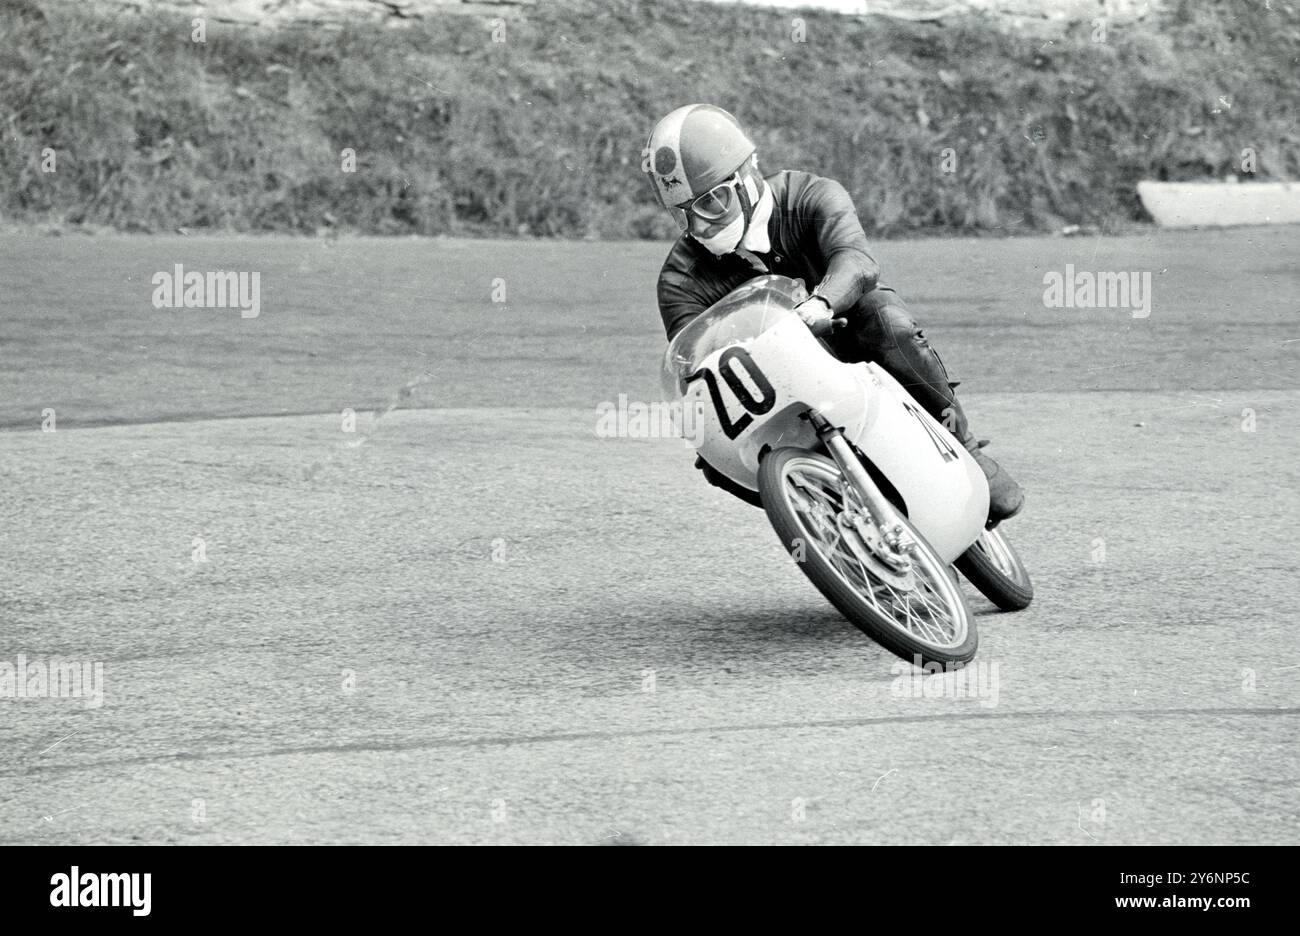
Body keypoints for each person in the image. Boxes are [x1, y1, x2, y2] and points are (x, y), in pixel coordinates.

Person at [644, 103, 1024, 526]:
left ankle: (965, 446)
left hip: (845, 335)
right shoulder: (679, 279)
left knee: (885, 317)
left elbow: (857, 262)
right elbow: (697, 366)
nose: (702, 224)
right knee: (712, 459)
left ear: (748, 175)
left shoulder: (811, 195)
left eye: (713, 201)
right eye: (685, 212)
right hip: (772, 386)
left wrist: (821, 305)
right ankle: (837, 527)